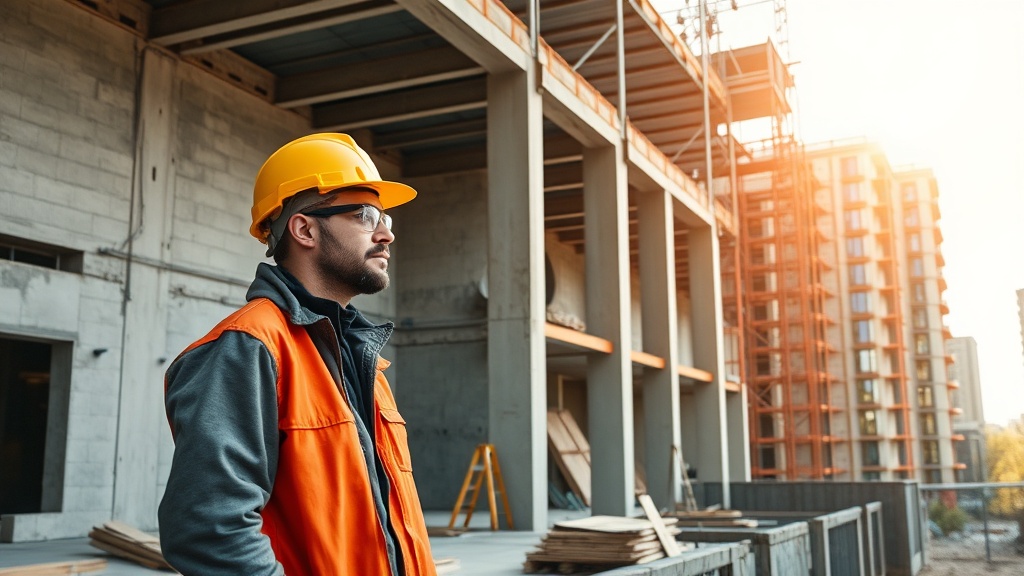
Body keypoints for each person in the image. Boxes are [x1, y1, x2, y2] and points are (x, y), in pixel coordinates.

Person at [158, 133, 437, 575]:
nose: (387, 233)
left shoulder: (361, 357)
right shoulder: (247, 349)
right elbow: (208, 530)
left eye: (384, 217)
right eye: (365, 215)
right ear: (305, 229)